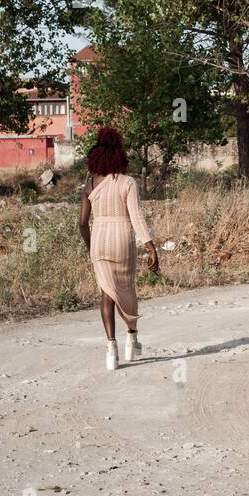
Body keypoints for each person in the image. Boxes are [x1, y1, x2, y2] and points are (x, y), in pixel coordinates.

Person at [78, 127, 159, 370]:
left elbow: (82, 223)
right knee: (126, 289)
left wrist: (91, 246)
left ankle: (111, 349)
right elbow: (136, 217)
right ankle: (131, 340)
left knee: (107, 294)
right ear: (119, 156)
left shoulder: (90, 184)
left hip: (100, 240)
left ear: (96, 156)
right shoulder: (127, 182)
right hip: (122, 240)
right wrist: (150, 247)